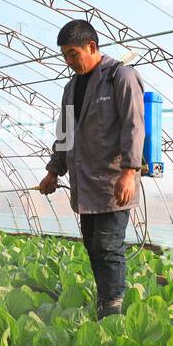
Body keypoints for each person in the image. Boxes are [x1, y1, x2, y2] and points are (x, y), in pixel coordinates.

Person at [37, 20, 144, 319]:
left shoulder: (120, 77)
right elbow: (65, 133)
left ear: (92, 47)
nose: (70, 62)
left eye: (73, 54)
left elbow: (134, 126)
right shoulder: (71, 88)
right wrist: (53, 171)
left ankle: (112, 310)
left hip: (113, 184)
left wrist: (129, 172)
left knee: (109, 249)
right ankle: (105, 303)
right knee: (94, 248)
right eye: (65, 56)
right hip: (85, 185)